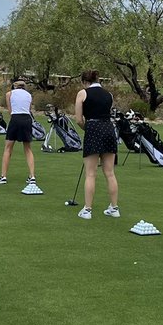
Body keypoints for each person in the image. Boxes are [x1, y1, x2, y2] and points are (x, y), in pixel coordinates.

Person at [73, 69, 119, 219]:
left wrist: (87, 129)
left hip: (93, 128)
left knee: (91, 173)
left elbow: (79, 119)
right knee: (110, 172)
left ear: (84, 81)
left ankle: (87, 210)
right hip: (108, 129)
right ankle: (114, 208)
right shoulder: (109, 94)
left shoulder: (82, 93)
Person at [0, 79, 37, 186]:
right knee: (28, 149)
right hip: (27, 119)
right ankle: (32, 176)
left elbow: (10, 110)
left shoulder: (9, 94)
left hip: (15, 118)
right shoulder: (29, 95)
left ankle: (3, 176)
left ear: (14, 86)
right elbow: (28, 109)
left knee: (8, 148)